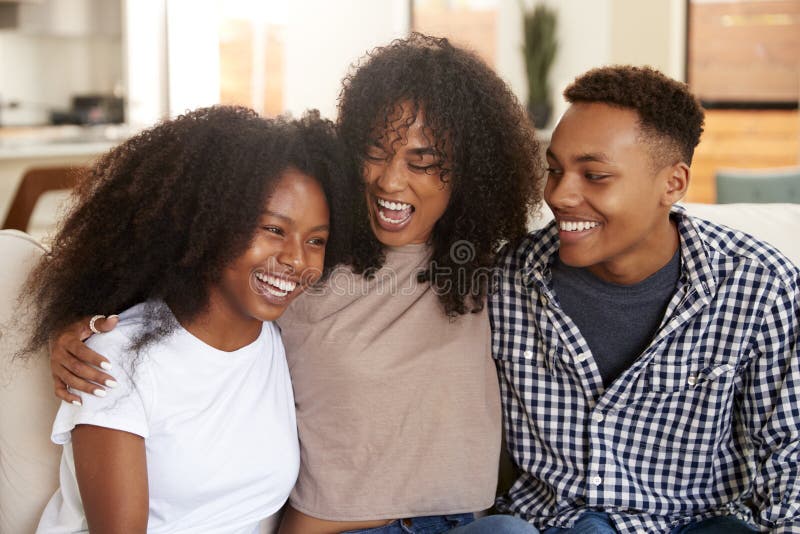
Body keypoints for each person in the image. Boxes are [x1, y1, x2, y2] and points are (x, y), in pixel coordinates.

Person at [45, 34, 544, 534]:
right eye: (375, 152)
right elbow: (181, 282)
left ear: (471, 172)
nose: (391, 182)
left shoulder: (487, 269)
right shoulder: (307, 268)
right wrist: (79, 323)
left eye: (422, 162)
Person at [489, 65, 800, 533]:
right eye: (554, 169)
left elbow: (791, 458)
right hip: (548, 523)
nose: (560, 195)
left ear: (672, 184)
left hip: (694, 525)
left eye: (594, 175)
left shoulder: (760, 286)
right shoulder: (507, 280)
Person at [24, 105, 351, 533]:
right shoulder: (115, 360)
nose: (295, 259)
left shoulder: (283, 339)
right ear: (209, 223)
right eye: (273, 229)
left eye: (316, 240)